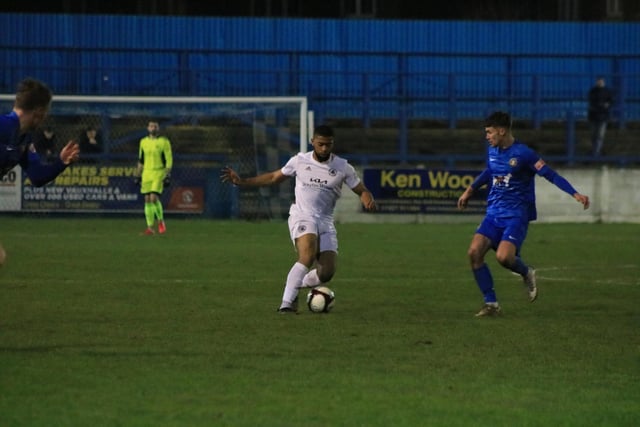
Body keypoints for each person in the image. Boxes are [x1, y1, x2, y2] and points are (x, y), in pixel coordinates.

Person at [220, 125, 377, 313]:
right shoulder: (299, 161)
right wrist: (242, 181)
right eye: (321, 144)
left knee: (326, 272)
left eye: (328, 145)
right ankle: (287, 304)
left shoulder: (343, 167)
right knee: (307, 256)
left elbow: (360, 189)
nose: (325, 149)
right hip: (302, 215)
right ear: (313, 142)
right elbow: (273, 177)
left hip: (325, 221)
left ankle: (297, 283)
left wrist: (366, 195)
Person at [457, 111, 589, 317]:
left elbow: (550, 174)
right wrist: (470, 190)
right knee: (474, 253)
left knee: (503, 258)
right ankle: (491, 304)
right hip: (493, 214)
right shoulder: (493, 151)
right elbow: (490, 171)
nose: (487, 136)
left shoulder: (524, 154)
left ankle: (527, 272)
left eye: (489, 132)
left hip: (516, 215)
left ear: (502, 131)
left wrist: (574, 193)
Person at [0, 77, 80, 266]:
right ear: (39, 112)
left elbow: (37, 176)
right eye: (46, 112)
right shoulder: (4, 126)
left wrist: (61, 162)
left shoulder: (24, 139)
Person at [133, 120, 173, 235]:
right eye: (151, 126)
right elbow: (141, 160)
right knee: (147, 199)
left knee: (153, 197)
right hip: (146, 173)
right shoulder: (143, 142)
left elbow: (169, 160)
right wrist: (137, 174)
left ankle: (161, 221)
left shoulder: (164, 142)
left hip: (159, 172)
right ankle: (150, 227)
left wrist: (167, 174)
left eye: (155, 126)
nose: (153, 128)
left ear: (158, 128)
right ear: (148, 128)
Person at [587, 76, 614, 157]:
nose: (600, 82)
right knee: (593, 135)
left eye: (601, 81)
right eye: (598, 81)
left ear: (603, 82)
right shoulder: (593, 91)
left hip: (602, 116)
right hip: (594, 116)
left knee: (600, 135)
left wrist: (606, 105)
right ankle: (595, 150)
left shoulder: (607, 91)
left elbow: (611, 101)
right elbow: (591, 101)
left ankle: (597, 151)